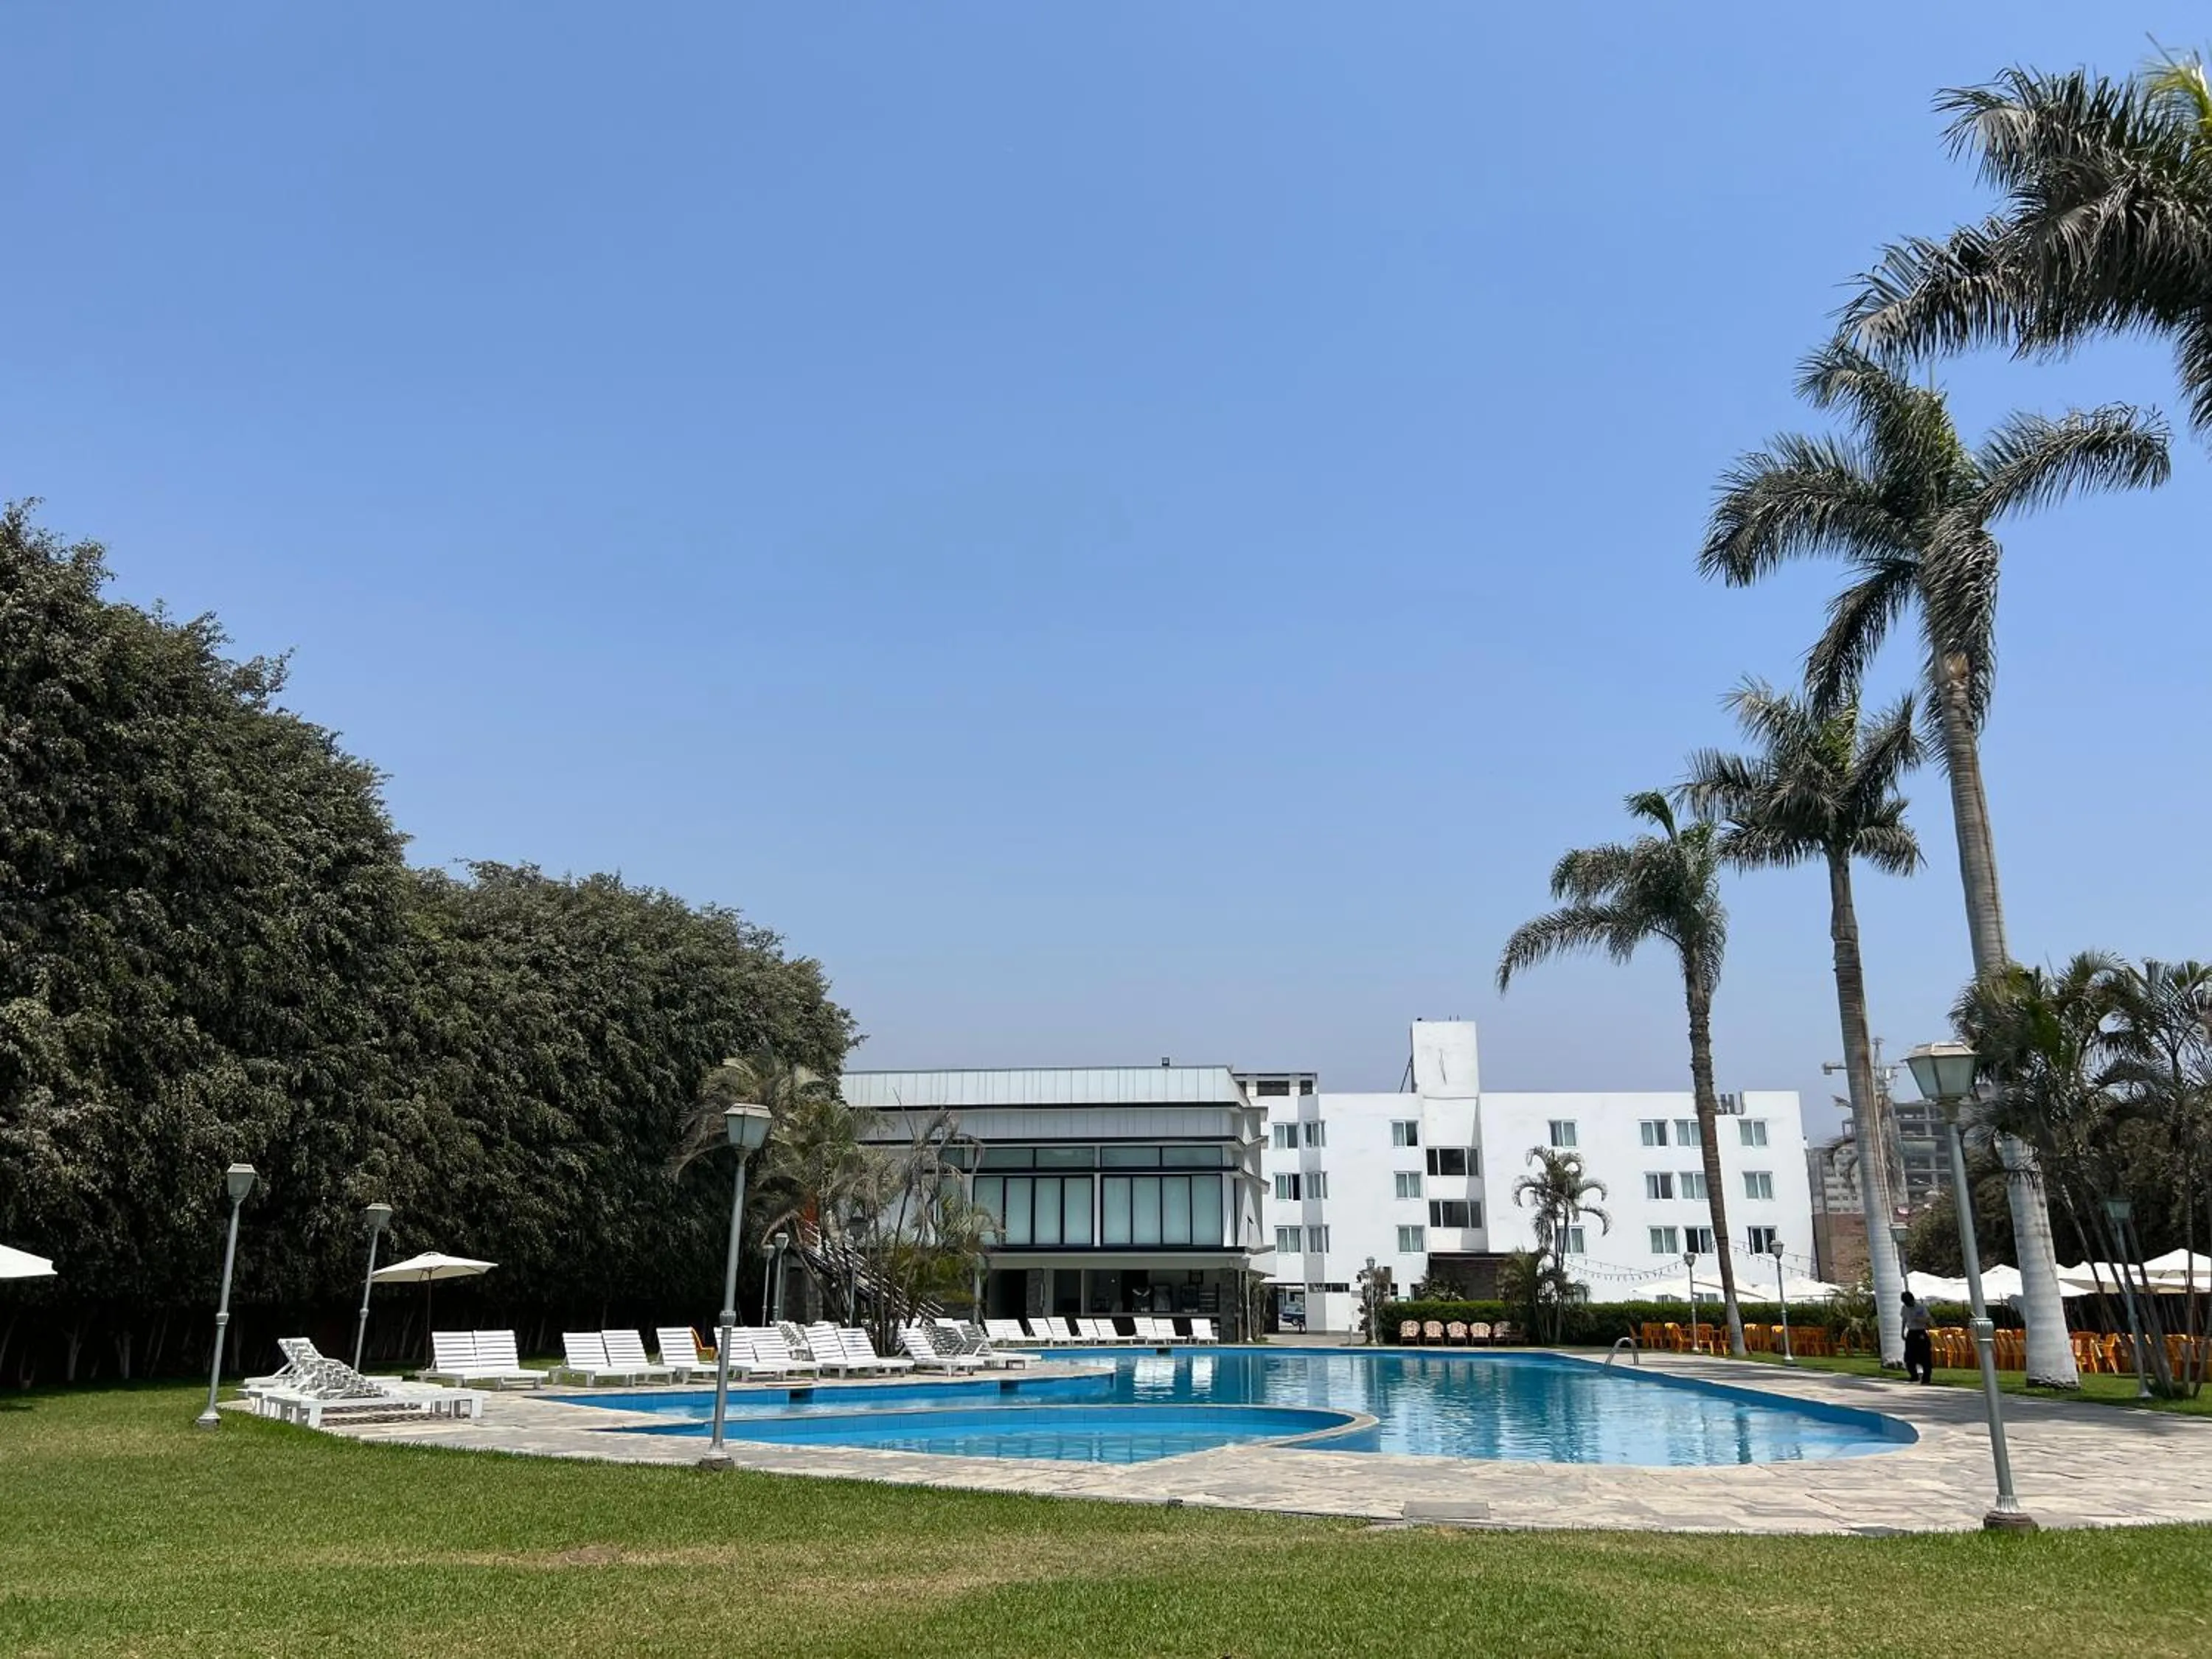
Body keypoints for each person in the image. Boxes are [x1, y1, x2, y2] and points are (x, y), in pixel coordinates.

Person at [1901, 1290, 1933, 1384]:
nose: (1908, 1305)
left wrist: (1919, 1319)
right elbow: (1904, 1321)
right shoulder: (1904, 1308)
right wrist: (1902, 1332)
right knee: (1909, 1356)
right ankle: (1914, 1375)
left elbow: (1928, 1319)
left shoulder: (1920, 1307)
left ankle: (1926, 1377)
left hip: (1920, 1332)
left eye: (1909, 1302)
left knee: (1924, 1356)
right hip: (1911, 1332)